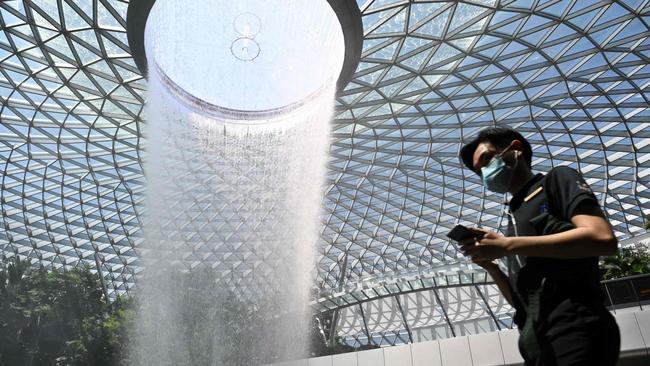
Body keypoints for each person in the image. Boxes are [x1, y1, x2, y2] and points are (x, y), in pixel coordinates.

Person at [457, 127, 620, 366]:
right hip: (537, 340)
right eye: (479, 171)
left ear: (516, 149)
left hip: (573, 323)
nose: (484, 172)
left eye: (487, 159)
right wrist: (491, 266)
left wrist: (508, 245)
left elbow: (602, 238)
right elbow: (521, 301)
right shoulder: (514, 214)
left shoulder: (556, 180)